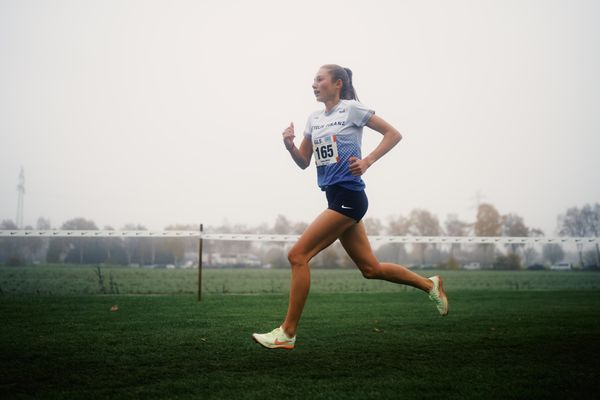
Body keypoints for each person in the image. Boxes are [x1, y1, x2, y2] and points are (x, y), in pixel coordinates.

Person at [252, 64, 448, 350]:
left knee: (298, 255)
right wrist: (290, 146)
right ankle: (430, 285)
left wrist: (367, 161)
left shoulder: (353, 109)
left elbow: (393, 134)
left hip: (350, 197)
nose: (313, 84)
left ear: (338, 83)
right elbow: (304, 162)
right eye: (313, 80)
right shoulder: (314, 119)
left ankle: (287, 333)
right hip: (335, 198)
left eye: (319, 79)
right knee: (370, 268)